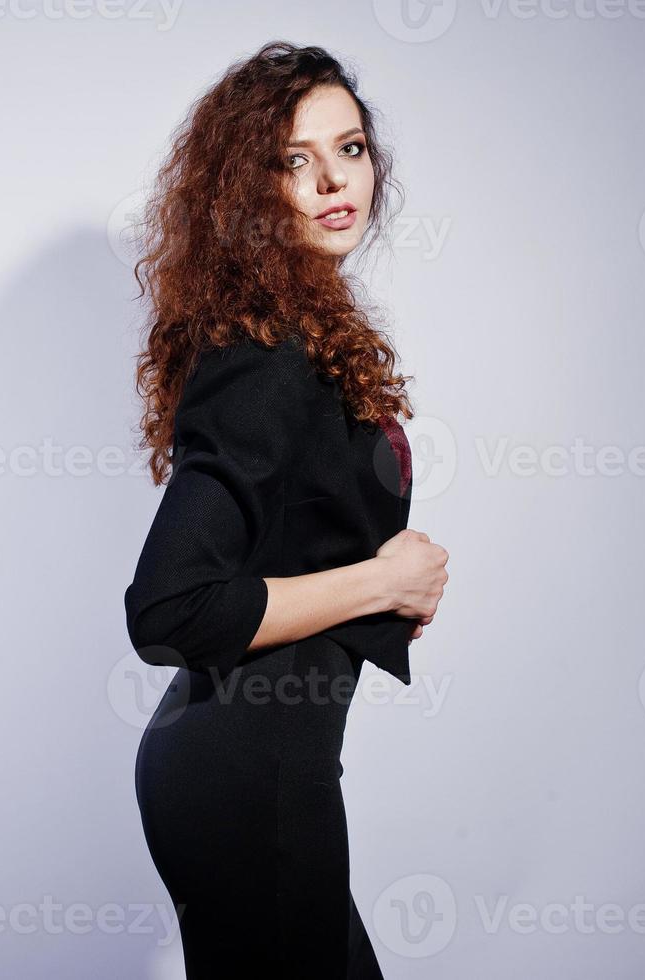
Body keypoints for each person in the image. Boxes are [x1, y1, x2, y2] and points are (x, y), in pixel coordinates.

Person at [122, 40, 450, 978]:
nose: (331, 181)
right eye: (291, 162)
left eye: (348, 149)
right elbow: (169, 611)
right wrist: (377, 581)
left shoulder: (302, 334)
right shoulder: (263, 357)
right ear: (245, 191)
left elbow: (285, 550)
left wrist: (379, 595)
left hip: (262, 771)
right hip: (244, 780)